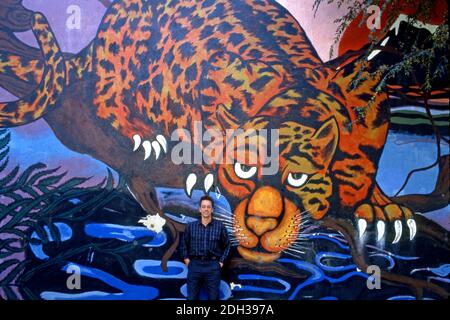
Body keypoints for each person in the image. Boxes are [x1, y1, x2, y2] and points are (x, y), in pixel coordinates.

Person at [180, 195, 231, 300]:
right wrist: (187, 261)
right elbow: (183, 244)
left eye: (208, 207)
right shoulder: (191, 226)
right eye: (203, 206)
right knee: (192, 298)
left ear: (212, 209)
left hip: (213, 266)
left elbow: (227, 245)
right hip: (195, 265)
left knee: (213, 298)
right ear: (200, 209)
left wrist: (221, 262)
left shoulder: (220, 226)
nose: (206, 209)